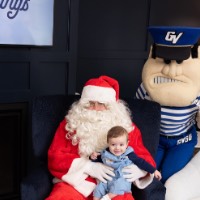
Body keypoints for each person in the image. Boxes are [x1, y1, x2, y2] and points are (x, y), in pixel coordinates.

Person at [46, 75, 156, 200]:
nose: (96, 109)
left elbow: (143, 154)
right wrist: (88, 167)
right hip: (76, 183)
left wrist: (139, 170)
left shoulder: (125, 125)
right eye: (91, 103)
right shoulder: (71, 124)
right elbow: (55, 157)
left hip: (113, 184)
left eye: (101, 104)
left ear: (112, 107)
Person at [136, 26, 200, 184]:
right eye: (165, 60)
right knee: (146, 175)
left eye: (179, 61)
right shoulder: (146, 89)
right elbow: (137, 113)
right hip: (155, 138)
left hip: (182, 140)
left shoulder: (197, 90)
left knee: (170, 178)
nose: (172, 72)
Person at [90, 126, 162, 200]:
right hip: (108, 179)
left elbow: (142, 162)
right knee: (99, 188)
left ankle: (107, 197)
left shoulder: (129, 155)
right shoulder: (105, 154)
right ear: (108, 143)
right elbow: (98, 160)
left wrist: (153, 170)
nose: (117, 148)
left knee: (119, 185)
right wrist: (93, 157)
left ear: (127, 144)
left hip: (121, 178)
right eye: (113, 145)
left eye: (121, 145)